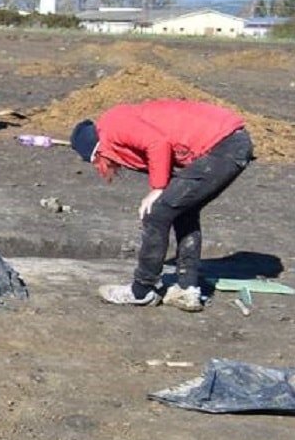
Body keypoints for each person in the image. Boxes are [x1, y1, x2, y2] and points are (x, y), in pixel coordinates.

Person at [69, 100, 253, 311]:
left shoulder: (113, 124)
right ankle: (186, 289)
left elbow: (157, 142)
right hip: (231, 144)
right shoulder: (118, 123)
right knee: (183, 210)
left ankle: (141, 290)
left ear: (96, 151)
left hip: (223, 146)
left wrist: (157, 188)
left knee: (156, 213)